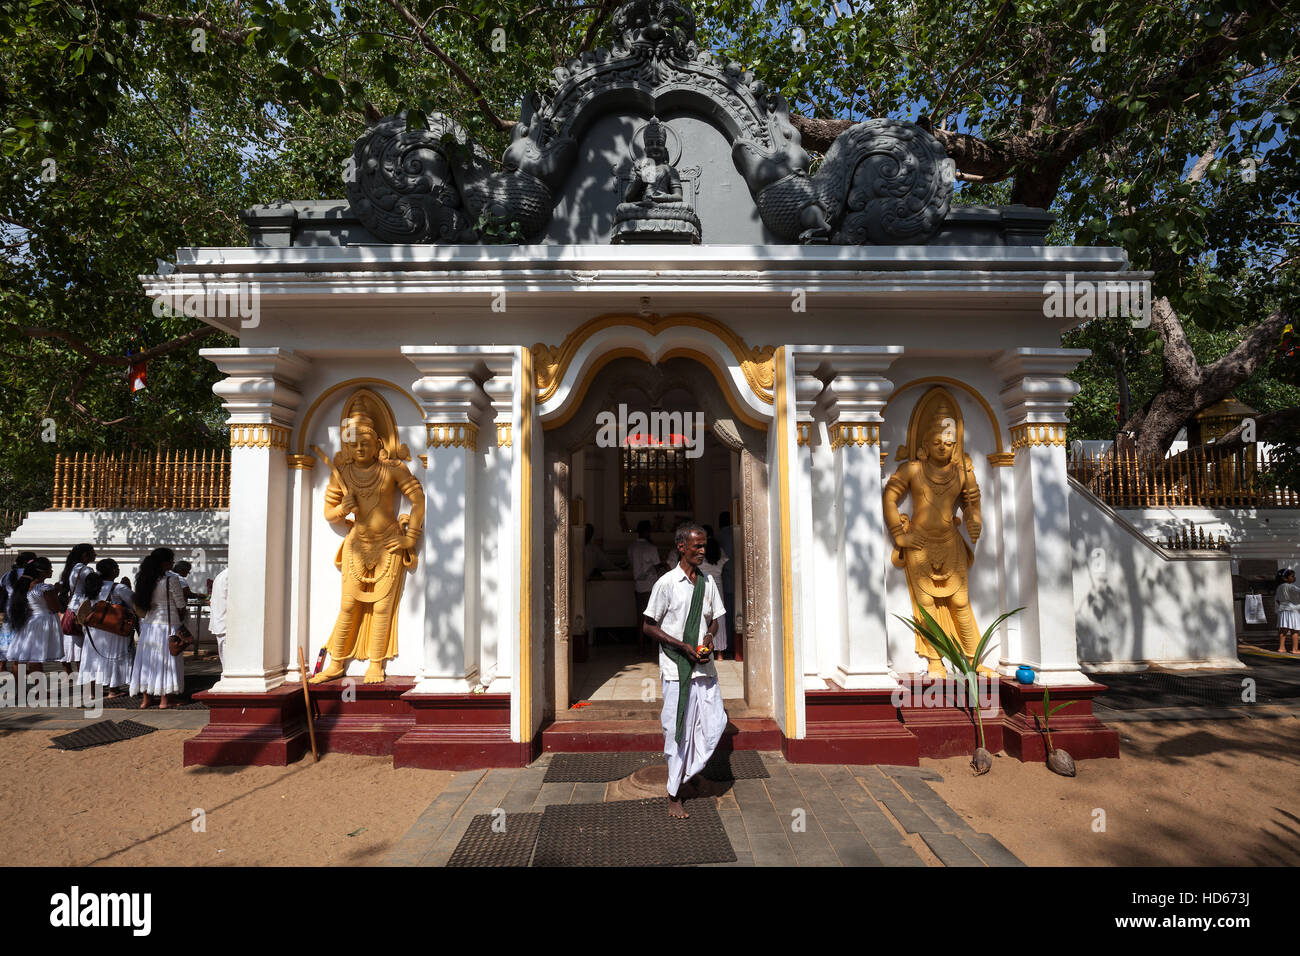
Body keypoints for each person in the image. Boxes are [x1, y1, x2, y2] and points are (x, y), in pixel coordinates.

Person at [642, 522, 728, 820]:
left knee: (713, 722)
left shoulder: (707, 583)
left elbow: (715, 618)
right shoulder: (666, 584)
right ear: (681, 547)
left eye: (704, 545)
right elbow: (649, 625)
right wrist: (681, 645)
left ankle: (689, 772)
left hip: (703, 667)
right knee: (677, 730)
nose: (703, 551)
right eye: (697, 546)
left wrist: (707, 638)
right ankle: (674, 793)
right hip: (677, 667)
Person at [129, 548, 188, 709]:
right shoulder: (171, 579)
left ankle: (146, 699)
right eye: (171, 560)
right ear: (164, 562)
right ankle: (165, 700)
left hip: (149, 625)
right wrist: (182, 616)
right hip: (168, 624)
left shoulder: (143, 579)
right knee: (167, 660)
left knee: (148, 659)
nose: (173, 563)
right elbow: (181, 604)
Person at [77, 559, 135, 698]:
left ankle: (92, 692)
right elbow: (134, 604)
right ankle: (113, 690)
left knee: (92, 658)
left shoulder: (92, 586)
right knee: (113, 656)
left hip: (95, 628)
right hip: (113, 628)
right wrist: (128, 587)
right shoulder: (119, 588)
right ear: (114, 571)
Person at [5, 557, 62, 671]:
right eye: (50, 568)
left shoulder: (23, 586)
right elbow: (54, 608)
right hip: (41, 622)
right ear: (42, 572)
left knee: (21, 656)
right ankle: (39, 688)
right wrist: (56, 593)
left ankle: (20, 687)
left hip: (28, 620)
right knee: (35, 658)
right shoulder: (45, 588)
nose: (52, 571)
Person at [58, 543, 96, 672]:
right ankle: (83, 676)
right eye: (93, 552)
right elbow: (94, 590)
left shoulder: (73, 568)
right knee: (82, 645)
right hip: (82, 609)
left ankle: (71, 674)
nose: (96, 554)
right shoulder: (86, 570)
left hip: (72, 607)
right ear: (85, 555)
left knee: (73, 643)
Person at [628, 520, 660, 650]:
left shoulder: (631, 547)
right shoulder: (651, 548)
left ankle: (640, 646)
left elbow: (631, 563)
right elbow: (657, 565)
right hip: (651, 585)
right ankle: (653, 645)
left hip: (638, 586)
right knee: (652, 616)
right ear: (648, 532)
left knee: (640, 617)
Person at [0, 552, 37, 663]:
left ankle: (3, 666)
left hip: (9, 609)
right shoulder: (30, 575)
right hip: (26, 609)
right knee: (21, 640)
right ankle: (20, 670)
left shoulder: (7, 575)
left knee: (6, 638)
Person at [699, 538, 729, 658]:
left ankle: (703, 646)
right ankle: (720, 653)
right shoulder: (720, 555)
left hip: (704, 585)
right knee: (719, 618)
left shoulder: (701, 558)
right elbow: (725, 559)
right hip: (718, 586)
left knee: (705, 616)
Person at [1275, 568, 1300, 655]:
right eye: (1292, 576)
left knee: (1283, 630)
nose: (1294, 578)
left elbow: (1277, 600)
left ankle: (1281, 648)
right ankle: (1295, 649)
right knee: (1294, 631)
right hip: (1293, 610)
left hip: (1283, 610)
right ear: (1285, 578)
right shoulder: (1292, 587)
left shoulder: (1279, 587)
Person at [208, 567, 229, 668]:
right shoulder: (230, 576)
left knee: (225, 658)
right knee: (228, 661)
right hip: (226, 623)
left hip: (221, 622)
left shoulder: (221, 575)